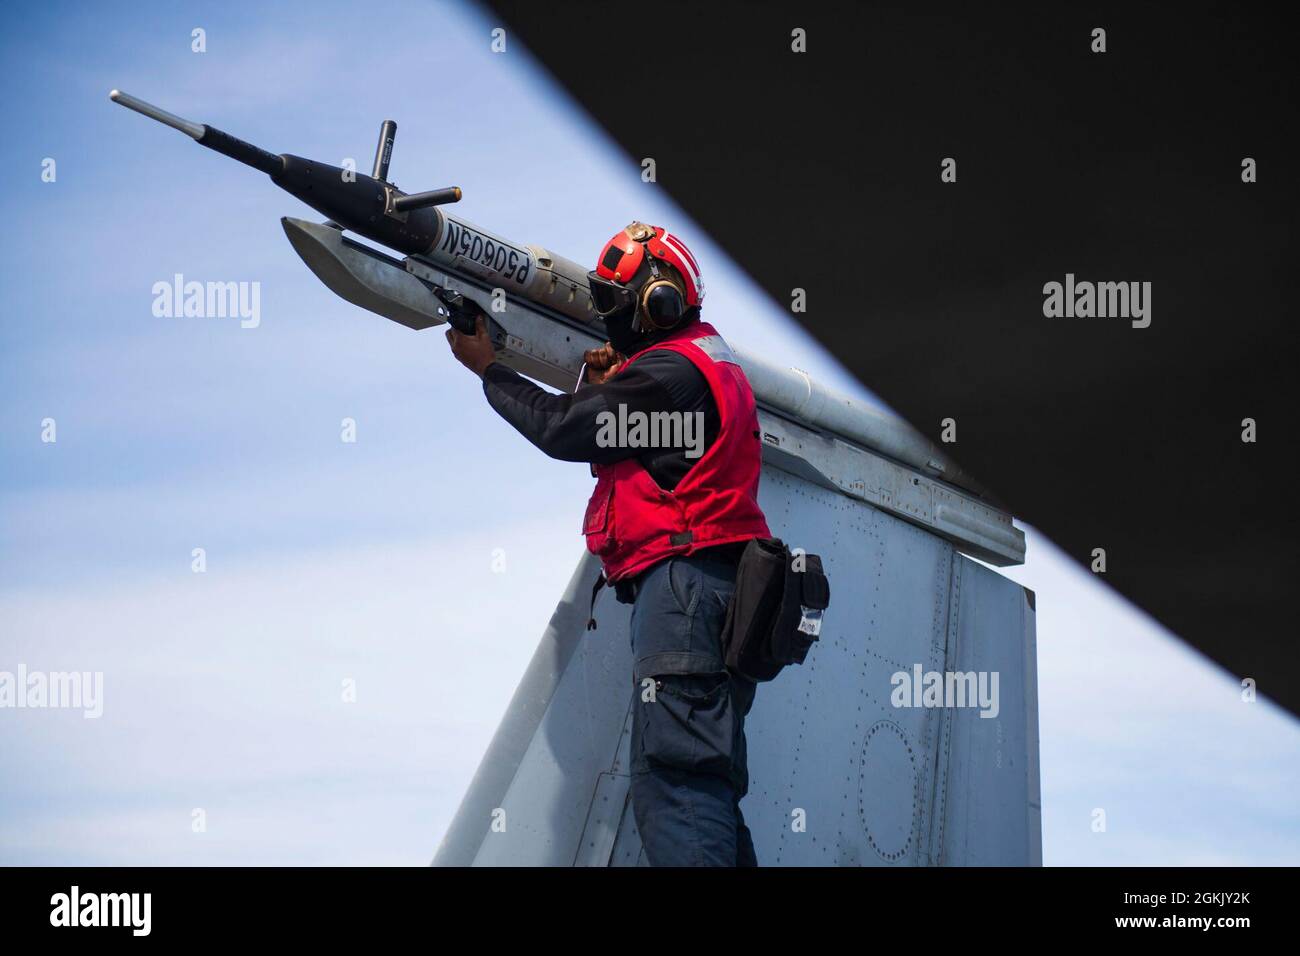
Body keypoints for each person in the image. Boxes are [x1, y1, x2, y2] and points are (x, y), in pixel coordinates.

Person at [446, 221, 770, 866]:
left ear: (658, 303)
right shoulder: (704, 364)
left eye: (619, 308)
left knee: (675, 785)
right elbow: (629, 435)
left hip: (685, 592)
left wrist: (491, 370)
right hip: (715, 590)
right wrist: (608, 383)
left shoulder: (673, 375)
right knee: (705, 783)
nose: (612, 322)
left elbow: (564, 430)